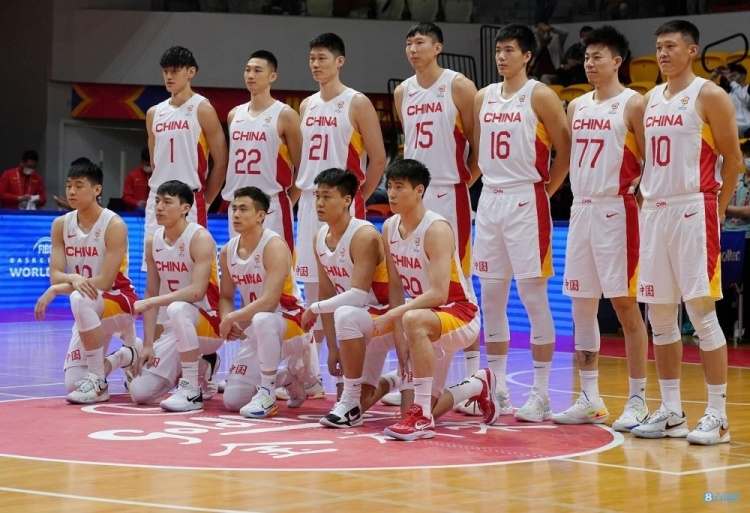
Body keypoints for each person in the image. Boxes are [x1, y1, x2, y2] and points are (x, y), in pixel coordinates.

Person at [630, 20, 742, 445]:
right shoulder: (649, 99)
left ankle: (718, 415)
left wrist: (717, 206)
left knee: (701, 313)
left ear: (692, 50)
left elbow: (734, 161)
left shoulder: (709, 95)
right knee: (659, 315)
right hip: (655, 210)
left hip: (694, 207)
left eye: (671, 46)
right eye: (658, 46)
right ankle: (672, 411)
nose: (662, 53)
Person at [551, 26, 650, 431]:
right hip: (582, 208)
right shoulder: (576, 106)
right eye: (587, 57)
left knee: (626, 306)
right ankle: (590, 398)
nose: (590, 63)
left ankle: (638, 398)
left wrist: (638, 203)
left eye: (598, 57)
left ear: (617, 61)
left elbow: (652, 162)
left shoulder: (634, 103)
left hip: (617, 208)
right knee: (581, 305)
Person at [472, 24, 571, 422]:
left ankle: (541, 393)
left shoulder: (540, 94)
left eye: (510, 50)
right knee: (491, 298)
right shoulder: (482, 97)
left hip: (527, 198)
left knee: (532, 298)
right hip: (490, 198)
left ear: (528, 55)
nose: (501, 56)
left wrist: (546, 191)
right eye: (498, 50)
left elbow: (565, 149)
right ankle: (497, 389)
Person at [392, 22, 481, 410]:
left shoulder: (459, 86)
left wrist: (461, 183)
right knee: (419, 280)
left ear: (438, 47)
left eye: (420, 42)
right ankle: (421, 376)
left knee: (460, 284)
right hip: (416, 196)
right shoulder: (402, 91)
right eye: (408, 43)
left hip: (449, 191)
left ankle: (474, 375)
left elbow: (477, 146)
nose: (413, 49)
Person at [292, 32, 386, 396]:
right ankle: (311, 374)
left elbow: (378, 159)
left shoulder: (357, 102)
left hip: (344, 205)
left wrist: (355, 197)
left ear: (340, 61)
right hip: (309, 203)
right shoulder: (306, 105)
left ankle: (355, 376)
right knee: (312, 289)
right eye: (311, 58)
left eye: (323, 58)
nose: (316, 64)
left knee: (350, 291)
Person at [374, 159, 495, 441]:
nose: (391, 194)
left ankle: (422, 417)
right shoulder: (389, 227)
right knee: (415, 410)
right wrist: (399, 337)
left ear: (419, 191)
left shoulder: (437, 229)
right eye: (389, 186)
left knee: (412, 318)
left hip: (458, 313)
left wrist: (395, 316)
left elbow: (439, 294)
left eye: (399, 187)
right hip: (424, 319)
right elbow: (395, 285)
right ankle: (477, 385)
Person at [298, 168, 398, 427]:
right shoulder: (319, 237)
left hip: (385, 318)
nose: (319, 203)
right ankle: (394, 380)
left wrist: (314, 308)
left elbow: (358, 295)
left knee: (345, 312)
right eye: (317, 196)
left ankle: (351, 400)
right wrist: (332, 347)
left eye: (327, 196)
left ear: (347, 200)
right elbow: (326, 292)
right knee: (362, 400)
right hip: (357, 324)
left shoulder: (364, 235)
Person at [33, 161, 139, 403]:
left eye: (79, 186)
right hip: (88, 305)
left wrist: (57, 288)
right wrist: (71, 278)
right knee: (74, 383)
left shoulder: (114, 225)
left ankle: (98, 381)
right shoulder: (61, 224)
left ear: (96, 190)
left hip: (119, 301)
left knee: (79, 297)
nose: (71, 191)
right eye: (69, 185)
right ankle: (127, 355)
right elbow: (56, 273)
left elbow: (105, 281)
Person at [217, 186, 315, 416]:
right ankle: (289, 379)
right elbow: (226, 296)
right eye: (234, 209)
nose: (236, 214)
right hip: (257, 326)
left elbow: (270, 302)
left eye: (243, 209)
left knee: (263, 318)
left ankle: (268, 394)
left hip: (291, 321)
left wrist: (232, 317)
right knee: (233, 400)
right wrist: (228, 319)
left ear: (260, 215)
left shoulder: (274, 245)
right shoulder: (228, 250)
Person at [129, 180, 223, 412]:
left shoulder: (200, 238)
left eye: (167, 202)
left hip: (209, 323)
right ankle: (204, 365)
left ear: (185, 208)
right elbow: (151, 290)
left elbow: (196, 292)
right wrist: (148, 344)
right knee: (139, 393)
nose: (159, 207)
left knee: (177, 307)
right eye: (157, 201)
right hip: (175, 324)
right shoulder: (152, 241)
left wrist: (152, 301)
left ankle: (191, 389)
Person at [145, 46, 228, 252]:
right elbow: (155, 162)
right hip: (157, 198)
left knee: (191, 264)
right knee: (154, 263)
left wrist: (206, 201)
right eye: (165, 71)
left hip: (189, 198)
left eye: (174, 71)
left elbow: (222, 161)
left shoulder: (203, 108)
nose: (169, 76)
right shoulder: (154, 113)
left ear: (191, 72)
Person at [221, 50, 302, 248]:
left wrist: (286, 202)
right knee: (240, 263)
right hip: (238, 205)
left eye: (257, 71)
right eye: (247, 70)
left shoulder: (285, 115)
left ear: (272, 77)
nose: (250, 75)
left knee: (277, 264)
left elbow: (303, 167)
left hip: (271, 204)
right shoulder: (234, 115)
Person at [717, 139, 750, 339]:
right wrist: (728, 209)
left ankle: (745, 329)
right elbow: (719, 200)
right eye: (747, 155)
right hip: (727, 236)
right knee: (723, 284)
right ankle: (723, 328)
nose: (748, 159)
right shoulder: (733, 179)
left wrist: (727, 209)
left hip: (747, 236)